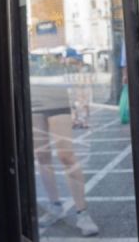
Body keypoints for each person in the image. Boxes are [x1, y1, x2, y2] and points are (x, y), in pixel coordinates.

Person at [30, 52, 99, 236]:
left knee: (66, 154)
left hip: (56, 97)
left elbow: (71, 65)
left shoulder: (55, 34)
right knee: (42, 155)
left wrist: (78, 104)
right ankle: (55, 206)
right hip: (32, 96)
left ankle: (82, 212)